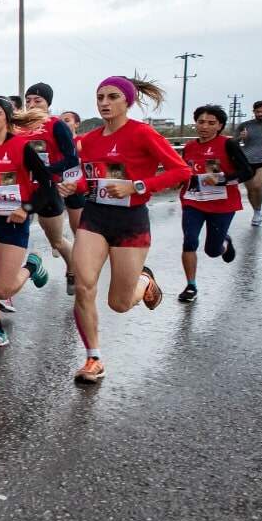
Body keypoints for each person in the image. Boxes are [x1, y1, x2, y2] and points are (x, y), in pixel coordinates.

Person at [57, 76, 191, 385]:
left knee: (118, 303)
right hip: (95, 217)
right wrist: (73, 185)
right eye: (100, 96)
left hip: (131, 221)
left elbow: (181, 171)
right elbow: (90, 180)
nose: (104, 102)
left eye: (112, 96)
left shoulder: (142, 134)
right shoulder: (88, 141)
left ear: (127, 101)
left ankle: (144, 281)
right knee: (83, 286)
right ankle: (93, 358)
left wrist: (137, 185)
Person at [0, 97, 56, 350]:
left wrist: (27, 208)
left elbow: (47, 184)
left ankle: (32, 266)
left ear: (7, 118)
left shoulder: (20, 148)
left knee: (1, 288)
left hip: (14, 220)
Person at [178, 104, 253, 302]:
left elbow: (247, 172)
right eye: (201, 122)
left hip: (221, 204)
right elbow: (184, 170)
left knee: (212, 251)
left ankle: (225, 243)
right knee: (189, 241)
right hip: (193, 201)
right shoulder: (189, 147)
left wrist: (222, 179)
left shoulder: (228, 145)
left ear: (219, 126)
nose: (205, 126)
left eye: (211, 123)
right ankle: (191, 286)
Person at [22, 82, 82, 296]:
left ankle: (73, 270)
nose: (32, 104)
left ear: (48, 104)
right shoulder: (19, 126)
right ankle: (12, 282)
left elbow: (72, 159)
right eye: (28, 100)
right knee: (11, 238)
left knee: (55, 240)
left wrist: (45, 170)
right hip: (23, 190)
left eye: (37, 101)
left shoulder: (56, 125)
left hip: (48, 190)